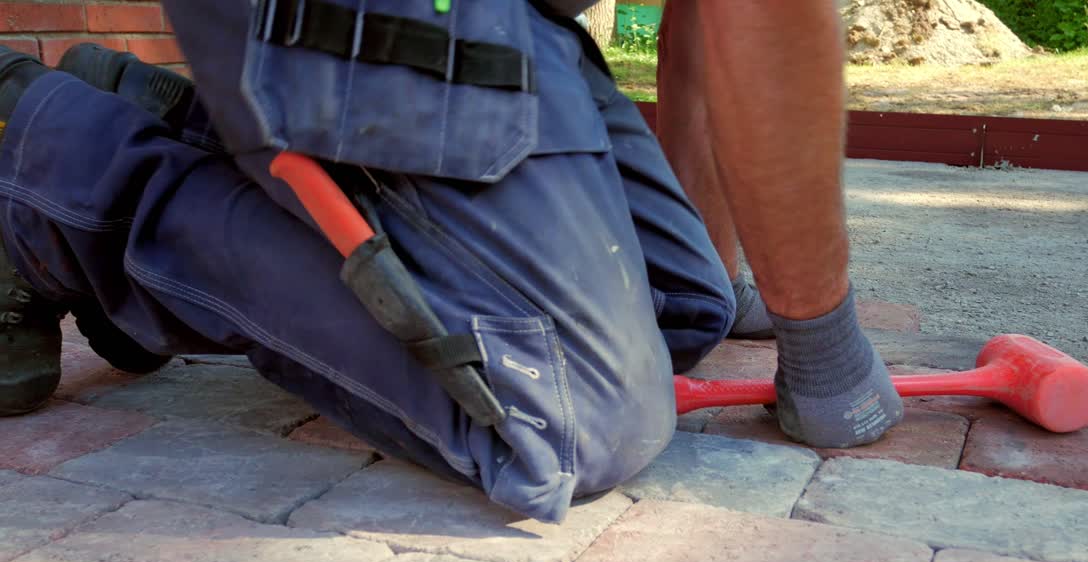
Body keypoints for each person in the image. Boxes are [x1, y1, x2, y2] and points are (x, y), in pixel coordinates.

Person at [0, 0, 900, 524]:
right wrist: (823, 342)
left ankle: (167, 118)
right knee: (570, 422)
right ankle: (51, 170)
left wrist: (732, 281)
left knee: (683, 312)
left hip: (500, 17)